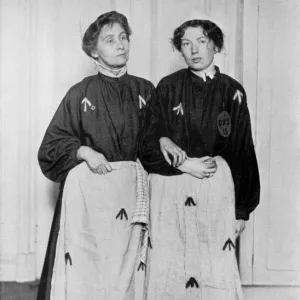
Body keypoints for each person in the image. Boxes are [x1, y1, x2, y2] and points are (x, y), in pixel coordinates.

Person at [140, 18, 260, 299]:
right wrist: (180, 161)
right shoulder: (168, 86)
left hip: (214, 188)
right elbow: (146, 143)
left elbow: (243, 150)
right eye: (186, 43)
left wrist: (241, 210)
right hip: (170, 188)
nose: (194, 49)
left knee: (212, 267)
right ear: (179, 50)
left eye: (202, 41)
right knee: (169, 266)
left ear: (215, 45)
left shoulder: (233, 91)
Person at [37, 11, 153, 300]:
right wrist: (83, 151)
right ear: (93, 50)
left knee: (129, 276)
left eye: (124, 37)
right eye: (110, 39)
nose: (120, 44)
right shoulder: (80, 94)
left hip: (133, 197)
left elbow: (160, 145)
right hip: (91, 203)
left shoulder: (146, 90)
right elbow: (49, 150)